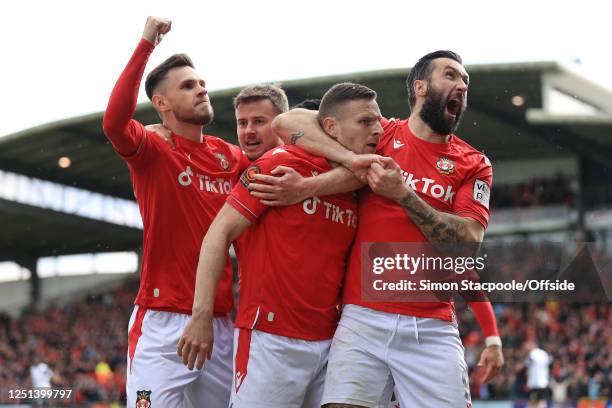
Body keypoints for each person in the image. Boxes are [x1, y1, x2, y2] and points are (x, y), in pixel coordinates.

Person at [267, 51, 503, 407]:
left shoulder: (474, 163)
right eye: (451, 76)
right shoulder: (382, 134)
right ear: (420, 87)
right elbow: (287, 121)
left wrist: (403, 194)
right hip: (362, 318)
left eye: (466, 81)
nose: (462, 86)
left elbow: (468, 243)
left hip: (431, 326)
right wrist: (353, 160)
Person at [177, 82, 383, 408]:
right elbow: (218, 234)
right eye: (365, 123)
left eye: (377, 122)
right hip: (270, 337)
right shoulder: (279, 165)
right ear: (329, 127)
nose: (377, 131)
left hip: (333, 341)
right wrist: (199, 315)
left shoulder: (361, 182)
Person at [102, 16, 244, 407]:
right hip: (163, 321)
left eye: (201, 84)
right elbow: (114, 122)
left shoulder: (228, 156)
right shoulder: (153, 150)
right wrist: (147, 42)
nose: (201, 90)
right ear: (161, 103)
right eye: (188, 86)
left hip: (219, 322)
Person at [524, 341, 552, 408]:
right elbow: (549, 362)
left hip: (534, 383)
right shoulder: (544, 353)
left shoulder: (532, 353)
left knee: (532, 402)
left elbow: (527, 363)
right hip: (543, 382)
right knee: (542, 401)